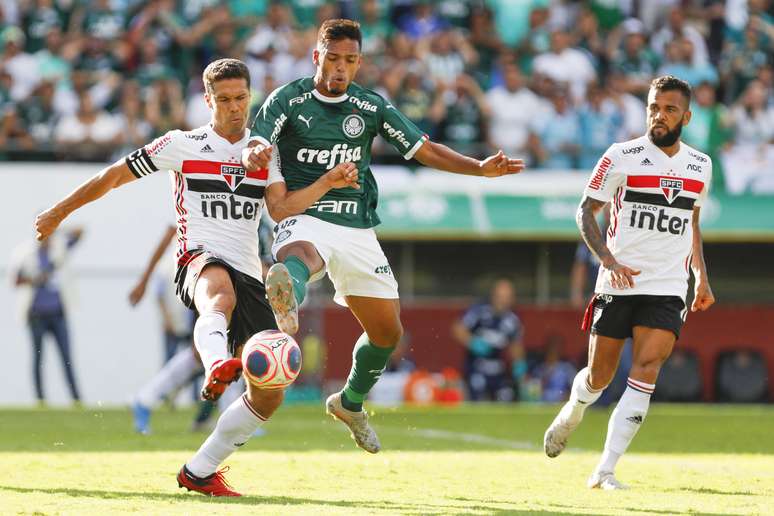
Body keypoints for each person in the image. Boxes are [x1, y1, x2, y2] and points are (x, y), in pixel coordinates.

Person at [34, 58, 359, 496]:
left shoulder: (267, 153)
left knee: (271, 391)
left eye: (241, 98)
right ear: (207, 100)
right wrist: (59, 211)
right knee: (217, 293)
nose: (234, 107)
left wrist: (328, 181)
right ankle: (214, 363)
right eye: (223, 100)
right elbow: (113, 176)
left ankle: (201, 470)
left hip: (249, 271)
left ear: (250, 97)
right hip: (197, 258)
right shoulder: (181, 144)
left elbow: (281, 209)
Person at [242, 19, 524, 454]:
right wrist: (255, 150)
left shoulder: (370, 107)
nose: (340, 68)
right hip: (305, 213)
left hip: (356, 228)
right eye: (332, 58)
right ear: (317, 56)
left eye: (349, 61)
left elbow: (424, 149)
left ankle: (350, 402)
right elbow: (257, 141)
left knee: (387, 333)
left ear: (359, 63)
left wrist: (478, 167)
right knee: (301, 254)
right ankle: (288, 294)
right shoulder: (287, 100)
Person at [543, 75, 715, 490]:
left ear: (686, 116)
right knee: (599, 378)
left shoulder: (701, 165)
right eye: (654, 107)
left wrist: (700, 278)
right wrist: (607, 259)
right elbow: (586, 211)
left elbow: (691, 221)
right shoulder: (622, 155)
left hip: (668, 286)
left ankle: (605, 469)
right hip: (618, 282)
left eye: (669, 109)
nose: (659, 115)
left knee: (646, 368)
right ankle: (573, 409)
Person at [11, 227, 83, 406]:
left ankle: (76, 399)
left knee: (66, 357)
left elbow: (80, 232)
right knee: (38, 358)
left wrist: (57, 226)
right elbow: (16, 280)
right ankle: (40, 399)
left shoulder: (59, 249)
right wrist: (35, 279)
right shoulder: (25, 253)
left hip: (58, 313)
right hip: (36, 315)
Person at [452, 278, 525, 402]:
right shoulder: (479, 312)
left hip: (499, 372)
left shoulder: (513, 321)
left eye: (507, 297)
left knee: (507, 398)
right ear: (493, 296)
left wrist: (520, 364)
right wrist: (473, 342)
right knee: (478, 398)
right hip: (477, 369)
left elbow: (516, 345)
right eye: (501, 296)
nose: (503, 301)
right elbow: (458, 328)